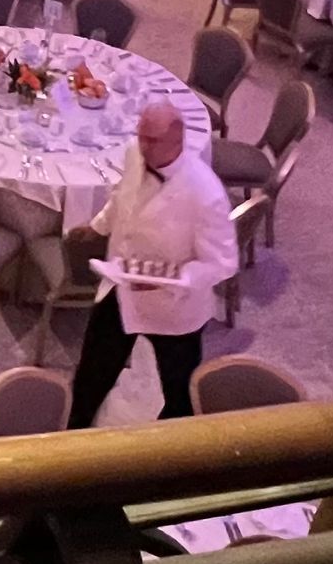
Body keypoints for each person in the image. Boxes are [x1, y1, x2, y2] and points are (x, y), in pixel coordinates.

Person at [67, 101, 240, 427]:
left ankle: (168, 455)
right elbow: (122, 197)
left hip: (176, 309)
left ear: (178, 140)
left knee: (180, 395)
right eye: (141, 136)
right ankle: (70, 442)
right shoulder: (135, 152)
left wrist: (172, 280)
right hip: (122, 290)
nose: (143, 146)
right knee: (90, 376)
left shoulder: (206, 193)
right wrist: (98, 227)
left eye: (153, 140)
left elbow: (223, 263)